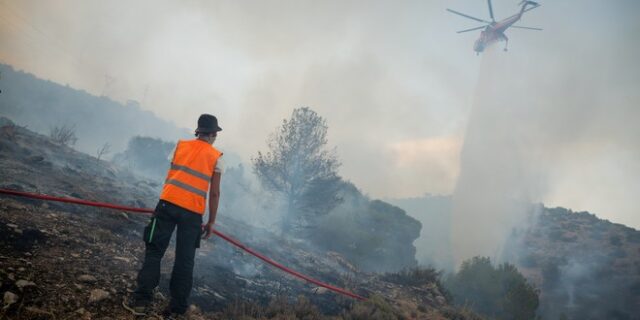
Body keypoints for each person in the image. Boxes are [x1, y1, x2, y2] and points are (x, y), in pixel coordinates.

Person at [126, 114, 223, 317]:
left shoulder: (180, 146)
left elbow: (172, 173)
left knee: (154, 251)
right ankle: (177, 309)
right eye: (215, 134)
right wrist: (212, 221)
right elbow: (214, 193)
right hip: (193, 214)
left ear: (198, 131)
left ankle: (141, 301)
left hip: (167, 204)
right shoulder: (217, 157)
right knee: (185, 261)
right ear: (213, 134)